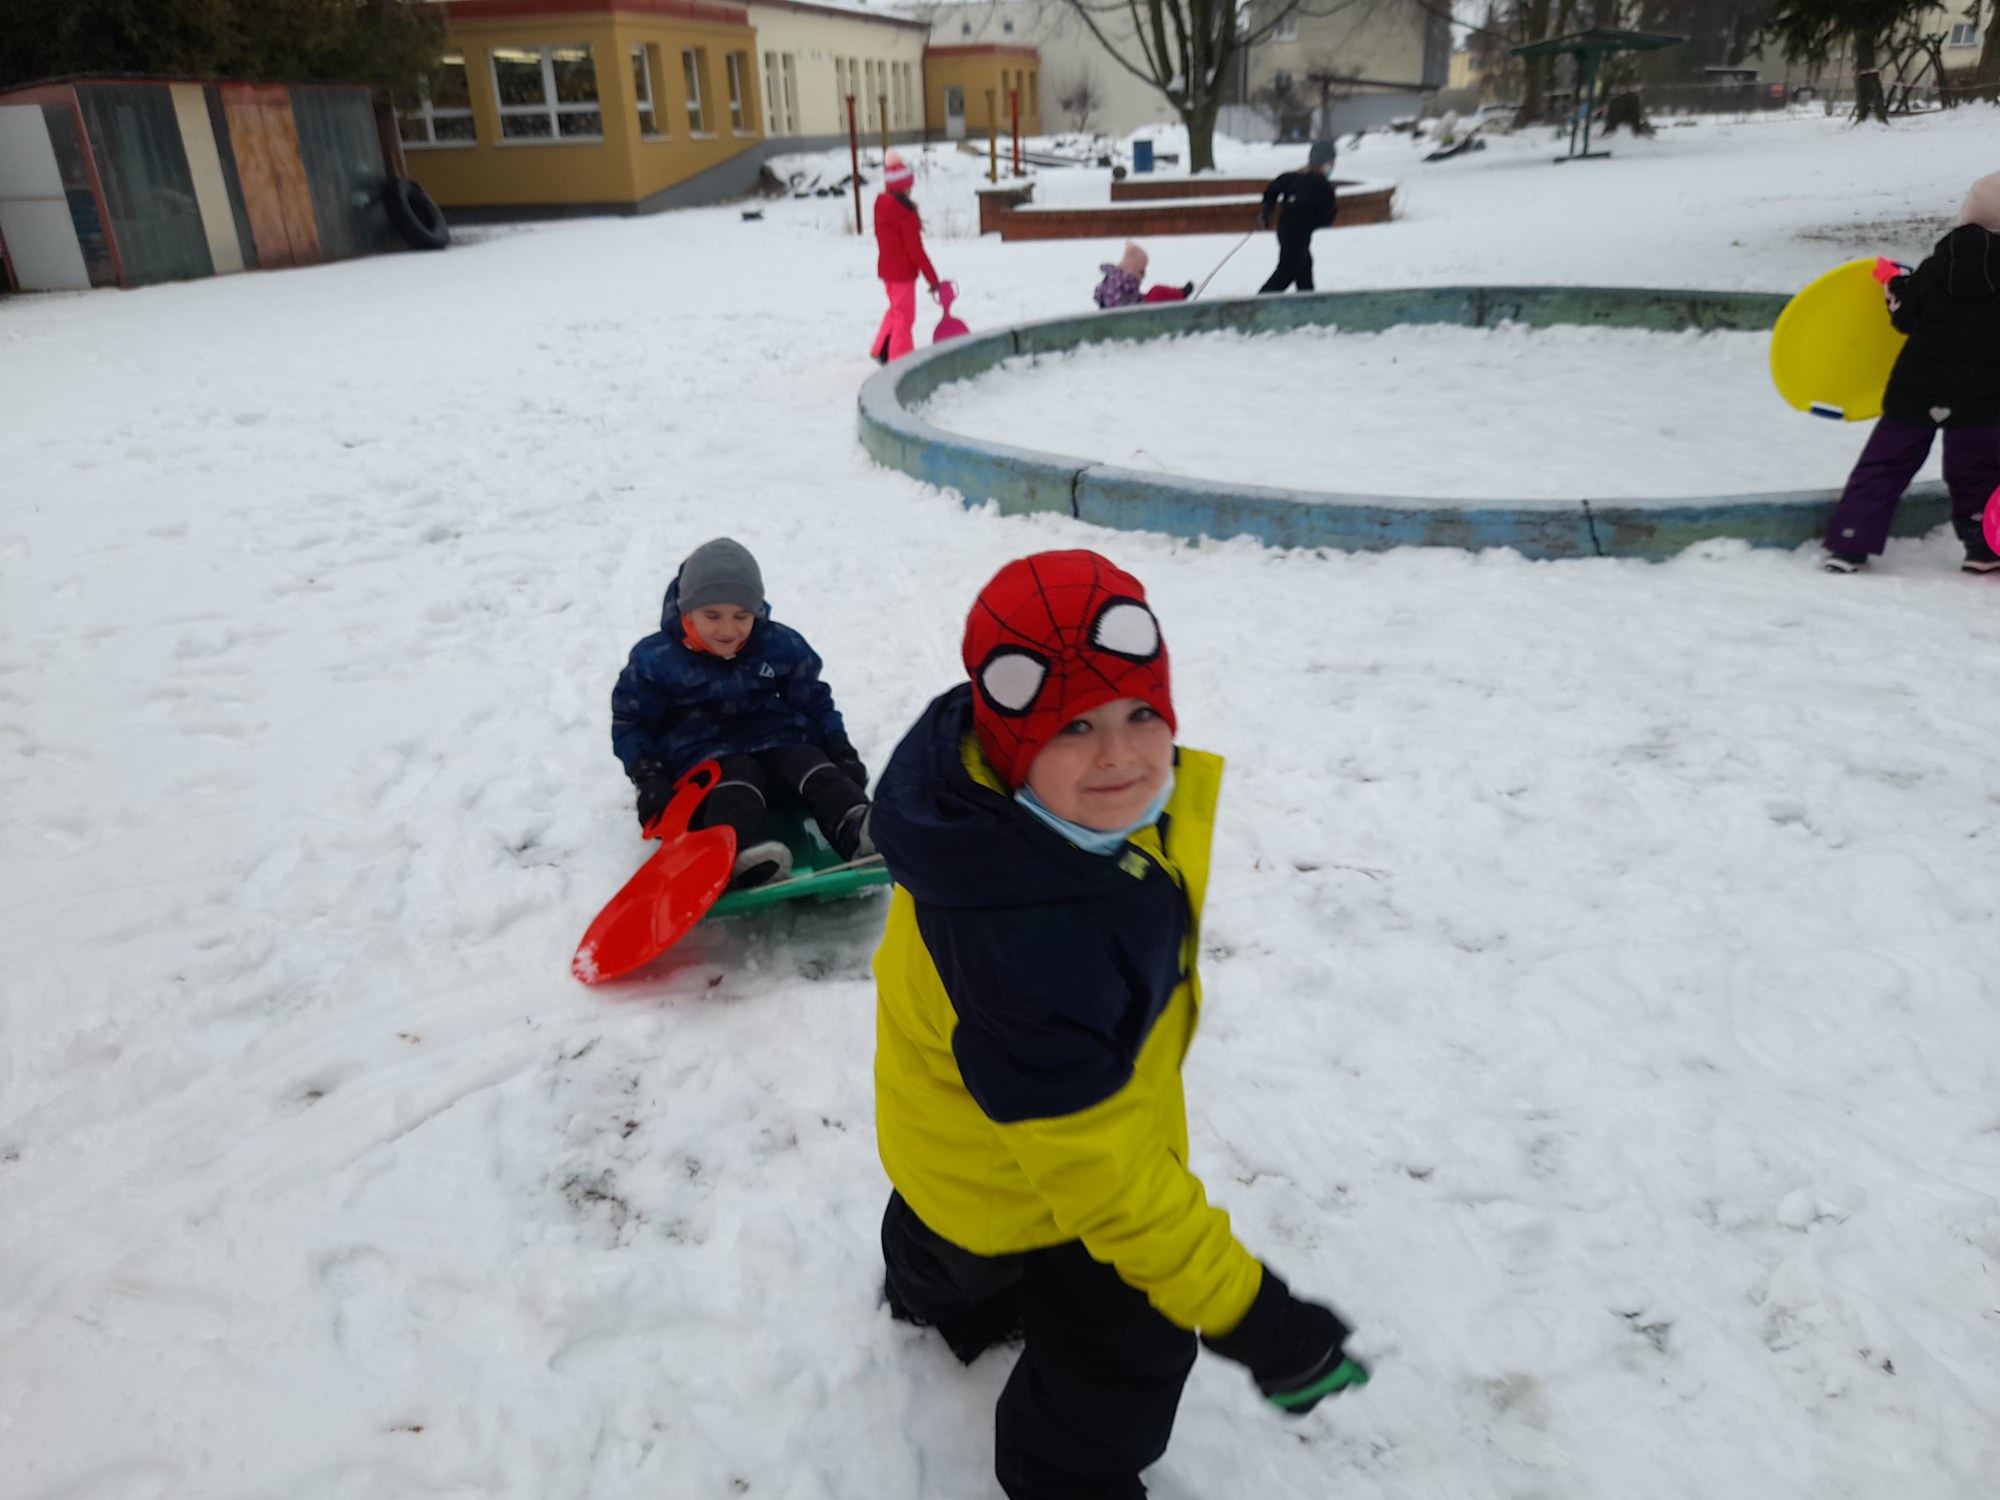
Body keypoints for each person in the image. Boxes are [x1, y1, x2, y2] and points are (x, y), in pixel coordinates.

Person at [870, 550, 1369, 1500]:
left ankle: (932, 1286)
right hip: (1041, 1169)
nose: (1119, 755)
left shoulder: (979, 800)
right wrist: (1256, 1317)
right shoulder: (1028, 951)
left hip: (953, 1141)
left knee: (954, 1234)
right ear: (1012, 738)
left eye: (1141, 713)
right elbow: (1110, 1186)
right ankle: (1063, 1474)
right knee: (1129, 1337)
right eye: (1073, 728)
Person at [610, 538, 871, 889]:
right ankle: (743, 853)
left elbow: (814, 702)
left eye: (741, 616)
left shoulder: (780, 645)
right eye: (712, 616)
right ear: (687, 612)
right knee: (736, 773)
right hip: (705, 771)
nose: (728, 630)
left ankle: (858, 826)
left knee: (809, 762)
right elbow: (632, 723)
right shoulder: (656, 660)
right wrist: (648, 778)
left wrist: (840, 749)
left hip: (777, 751)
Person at [1823, 173, 2000, 575]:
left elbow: (1905, 319)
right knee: (1980, 472)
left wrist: (1894, 288)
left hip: (1915, 391)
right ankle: (1982, 549)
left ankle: (1850, 543)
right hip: (1984, 397)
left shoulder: (1939, 263)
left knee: (1884, 465)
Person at [872, 151, 940, 365]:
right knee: (904, 317)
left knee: (896, 311)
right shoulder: (904, 213)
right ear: (905, 187)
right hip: (902, 274)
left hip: (887, 271)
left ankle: (880, 349)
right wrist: (932, 278)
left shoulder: (881, 205)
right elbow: (915, 250)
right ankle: (899, 361)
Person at [1258, 140, 1339, 295]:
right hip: (1299, 232)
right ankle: (1261, 301)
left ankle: (1307, 298)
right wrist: (1315, 220)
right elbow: (1328, 216)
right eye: (1330, 162)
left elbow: (1272, 190)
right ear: (1322, 163)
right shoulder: (1324, 187)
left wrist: (1267, 211)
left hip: (1285, 229)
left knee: (1304, 266)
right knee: (1288, 270)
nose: (1332, 166)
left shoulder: (1292, 177)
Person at [1093, 241, 1193, 309]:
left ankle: (1177, 294)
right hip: (1129, 313)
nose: (1143, 274)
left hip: (1118, 309)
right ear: (1135, 268)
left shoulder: (1115, 277)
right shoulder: (1126, 279)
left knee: (1149, 294)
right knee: (1157, 292)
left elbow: (1131, 296)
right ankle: (1181, 294)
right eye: (1142, 270)